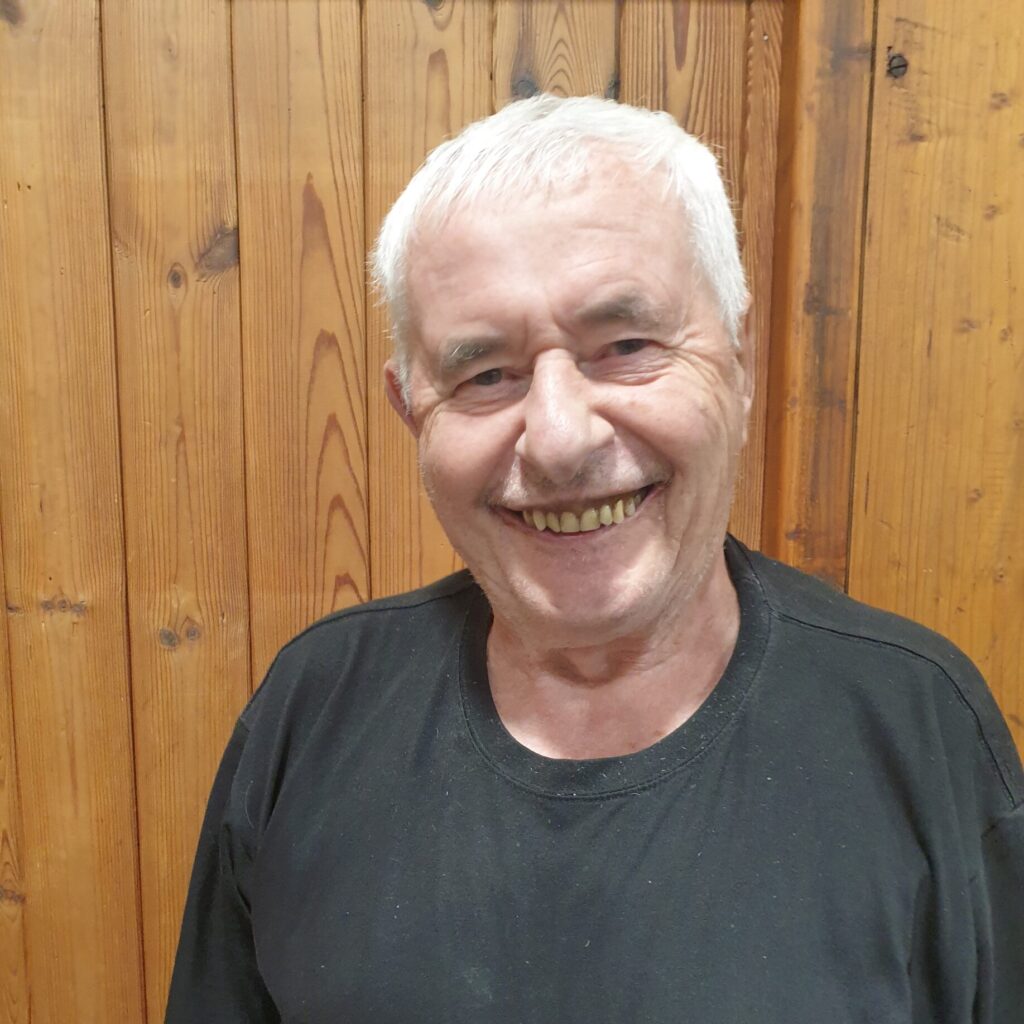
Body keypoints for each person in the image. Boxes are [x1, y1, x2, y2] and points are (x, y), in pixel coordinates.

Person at [166, 95, 1023, 1023]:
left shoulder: (915, 724)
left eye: (625, 347)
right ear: (411, 410)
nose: (559, 439)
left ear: (738, 363)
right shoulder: (313, 710)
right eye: (485, 374)